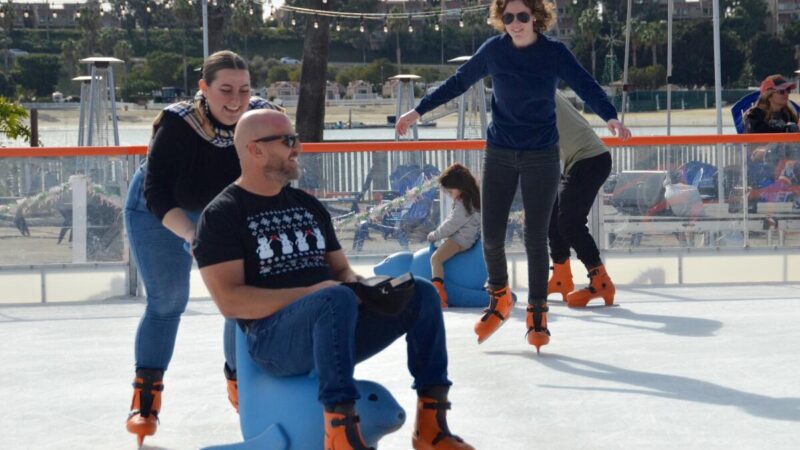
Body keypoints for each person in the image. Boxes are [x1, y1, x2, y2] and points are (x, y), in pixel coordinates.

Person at [193, 109, 474, 450]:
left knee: (423, 293)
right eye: (288, 141)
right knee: (334, 298)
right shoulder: (222, 214)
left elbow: (341, 271)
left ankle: (431, 425)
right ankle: (340, 431)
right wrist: (316, 294)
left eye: (295, 139)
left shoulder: (306, 206)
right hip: (273, 343)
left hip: (333, 321)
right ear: (255, 150)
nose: (297, 148)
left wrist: (362, 287)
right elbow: (230, 301)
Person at [396, 0, 630, 352]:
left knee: (536, 237)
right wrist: (417, 111)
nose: (516, 24)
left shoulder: (553, 53)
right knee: (491, 232)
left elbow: (585, 84)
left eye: (522, 16)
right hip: (501, 153)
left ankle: (538, 314)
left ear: (535, 17)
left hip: (542, 155)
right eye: (508, 17)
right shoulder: (494, 51)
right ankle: (500, 298)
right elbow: (458, 83)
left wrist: (610, 117)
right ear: (500, 20)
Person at [122, 50, 280, 445]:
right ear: (203, 89)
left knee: (239, 298)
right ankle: (146, 398)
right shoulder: (178, 123)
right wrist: (193, 236)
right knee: (168, 301)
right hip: (159, 211)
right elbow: (156, 192)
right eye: (224, 89)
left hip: (222, 213)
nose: (235, 100)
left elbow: (277, 179)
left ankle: (240, 382)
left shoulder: (261, 119)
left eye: (244, 90)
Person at [547, 92, 630, 307]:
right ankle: (561, 277)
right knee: (553, 217)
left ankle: (601, 280)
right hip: (577, 162)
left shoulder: (534, 88)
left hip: (589, 160)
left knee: (569, 223)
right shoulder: (535, 85)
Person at [426, 163, 481, 308]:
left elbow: (451, 225)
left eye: (451, 192)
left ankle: (439, 295)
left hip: (460, 240)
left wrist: (434, 235)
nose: (449, 195)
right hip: (463, 237)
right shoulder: (469, 198)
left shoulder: (464, 203)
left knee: (436, 258)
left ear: (461, 187)